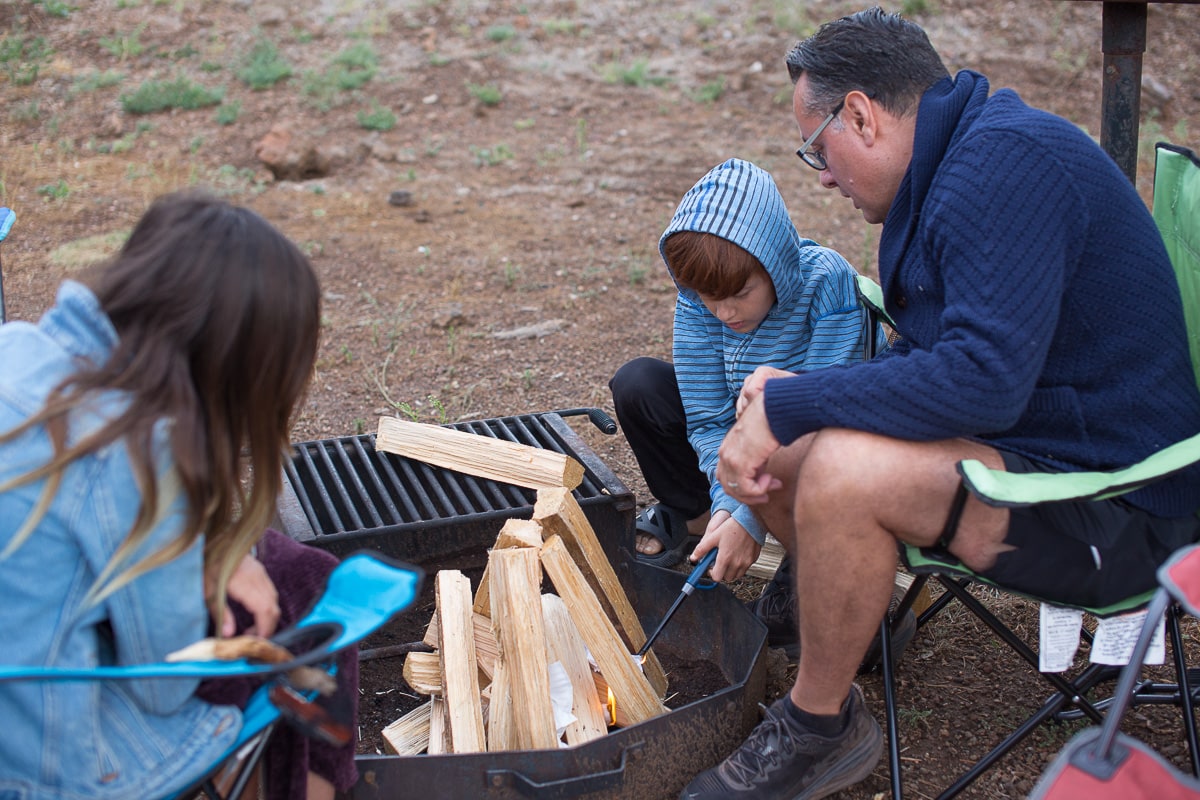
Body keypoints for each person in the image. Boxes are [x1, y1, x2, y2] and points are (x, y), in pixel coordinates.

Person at [683, 8, 1200, 799]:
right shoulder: (952, 169)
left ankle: (818, 728)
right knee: (794, 447)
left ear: (860, 114)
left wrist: (796, 406)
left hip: (1124, 507)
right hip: (1040, 445)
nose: (819, 175)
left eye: (817, 148)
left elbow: (983, 380)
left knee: (841, 469)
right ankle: (852, 609)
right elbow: (941, 360)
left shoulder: (1003, 168)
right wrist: (797, 406)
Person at [0, 190, 355, 800]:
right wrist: (202, 561)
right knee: (311, 596)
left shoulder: (15, 348)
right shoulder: (141, 450)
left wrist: (201, 547)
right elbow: (166, 677)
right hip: (46, 765)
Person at [609, 157, 878, 589]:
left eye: (739, 294)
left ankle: (804, 551)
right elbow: (709, 419)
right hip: (738, 445)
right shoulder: (701, 302)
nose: (725, 312)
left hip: (816, 445)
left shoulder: (827, 284)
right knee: (639, 384)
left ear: (774, 265)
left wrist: (748, 517)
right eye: (709, 298)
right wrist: (725, 504)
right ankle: (699, 518)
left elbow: (826, 421)